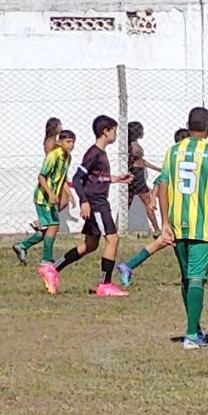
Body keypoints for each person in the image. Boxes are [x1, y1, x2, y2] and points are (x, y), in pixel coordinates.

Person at [154, 108, 208, 349]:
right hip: (199, 225)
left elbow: (163, 186)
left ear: (187, 126)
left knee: (186, 276)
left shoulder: (173, 151)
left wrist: (165, 222)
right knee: (197, 277)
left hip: (175, 223)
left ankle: (194, 328)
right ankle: (191, 336)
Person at [39, 115, 133, 297]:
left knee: (90, 245)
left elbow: (96, 178)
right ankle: (105, 284)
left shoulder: (101, 154)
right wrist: (84, 201)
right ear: (105, 131)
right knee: (112, 239)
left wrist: (117, 179)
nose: (115, 134)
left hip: (97, 202)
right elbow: (77, 179)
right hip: (97, 203)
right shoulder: (94, 153)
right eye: (114, 130)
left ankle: (53, 269)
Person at [116, 128, 189, 289]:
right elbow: (160, 181)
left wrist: (154, 197)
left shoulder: (181, 160)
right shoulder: (176, 160)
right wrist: (154, 198)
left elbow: (159, 179)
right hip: (176, 211)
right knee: (178, 242)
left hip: (181, 210)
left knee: (163, 242)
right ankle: (190, 279)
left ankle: (128, 266)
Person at [12, 130, 76, 270]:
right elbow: (41, 177)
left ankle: (22, 246)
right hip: (43, 198)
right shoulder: (53, 156)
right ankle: (46, 260)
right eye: (68, 142)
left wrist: (69, 194)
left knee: (47, 228)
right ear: (59, 142)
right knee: (53, 226)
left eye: (73, 142)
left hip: (51, 198)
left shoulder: (67, 158)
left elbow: (62, 178)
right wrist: (51, 194)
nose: (71, 145)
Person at [127, 121, 162, 234]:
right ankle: (157, 229)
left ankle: (117, 227)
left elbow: (141, 162)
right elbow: (139, 162)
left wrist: (158, 169)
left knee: (126, 203)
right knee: (149, 203)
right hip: (138, 175)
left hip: (134, 175)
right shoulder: (134, 145)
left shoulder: (129, 144)